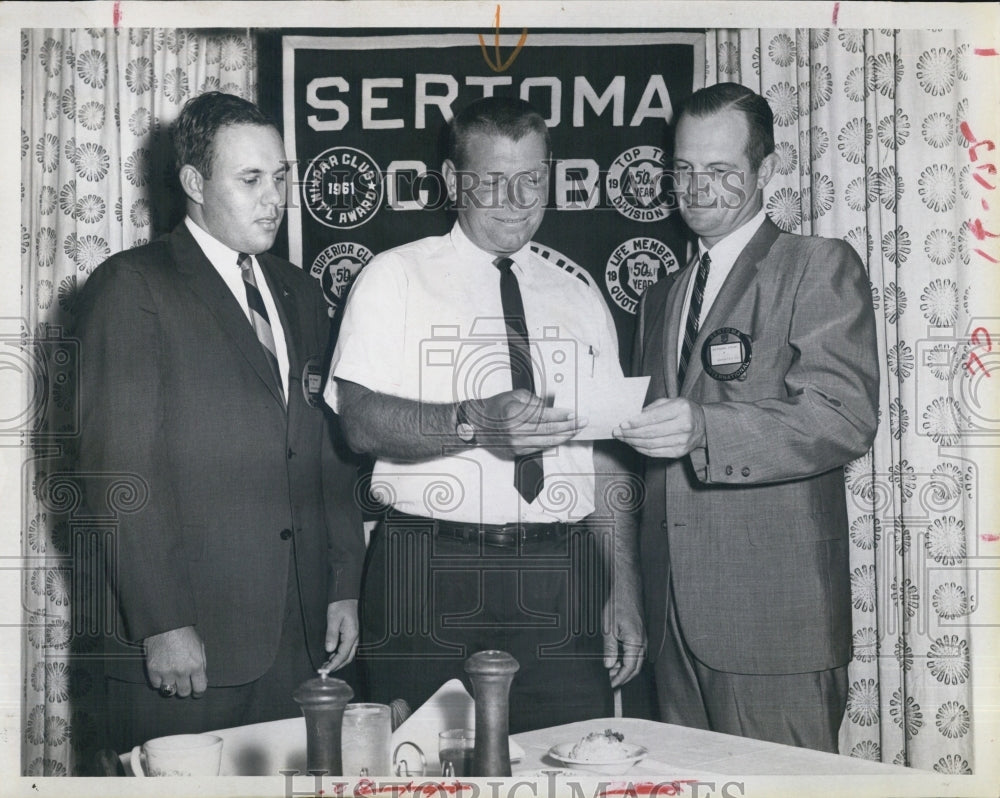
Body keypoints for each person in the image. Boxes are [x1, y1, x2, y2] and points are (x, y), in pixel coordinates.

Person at [326, 96, 645, 733]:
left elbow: (606, 453)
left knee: (569, 761)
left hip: (563, 575)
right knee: (422, 769)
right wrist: (475, 420)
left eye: (531, 178)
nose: (515, 197)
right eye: (491, 180)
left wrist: (624, 586)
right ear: (452, 182)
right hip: (425, 570)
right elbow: (358, 421)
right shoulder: (395, 279)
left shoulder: (579, 293)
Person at [75, 91, 365, 752]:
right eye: (251, 179)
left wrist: (342, 586)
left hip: (296, 640)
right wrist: (162, 623)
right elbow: (118, 471)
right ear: (193, 184)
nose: (275, 199)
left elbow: (323, 455)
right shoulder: (132, 287)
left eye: (282, 177)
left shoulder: (300, 291)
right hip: (188, 649)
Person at [614, 82, 879, 753]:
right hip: (672, 621)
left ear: (765, 171)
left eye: (722, 171)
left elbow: (842, 416)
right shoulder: (660, 296)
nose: (697, 190)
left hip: (774, 624)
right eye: (684, 170)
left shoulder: (817, 267)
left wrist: (707, 427)